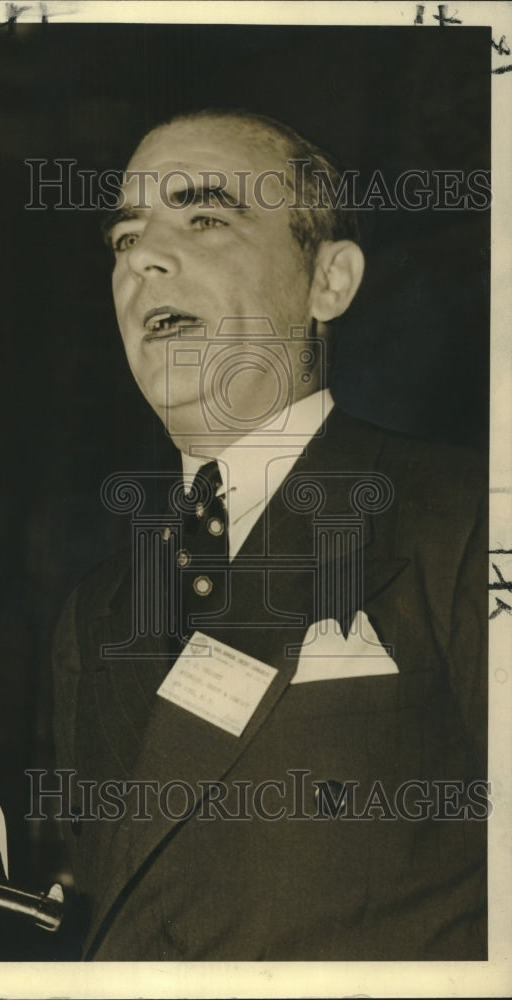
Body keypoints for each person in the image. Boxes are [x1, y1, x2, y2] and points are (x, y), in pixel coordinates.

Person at [52, 110, 487, 961]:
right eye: (124, 236)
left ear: (329, 281)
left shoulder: (461, 516)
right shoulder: (98, 608)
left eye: (205, 217)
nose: (142, 257)